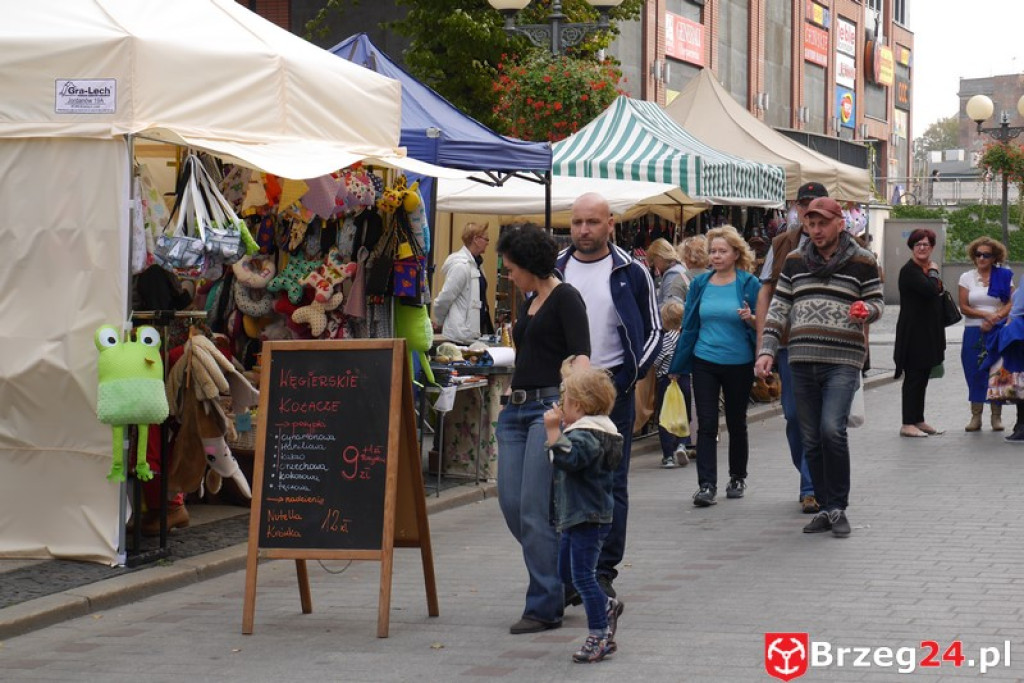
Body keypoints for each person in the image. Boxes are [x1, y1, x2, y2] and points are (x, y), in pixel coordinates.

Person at [755, 196, 884, 538]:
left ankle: (838, 505)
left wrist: (865, 310)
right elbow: (779, 307)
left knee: (831, 430)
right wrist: (766, 350)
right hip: (801, 358)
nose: (815, 230)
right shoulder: (795, 261)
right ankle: (826, 507)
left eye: (822, 223)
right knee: (810, 437)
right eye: (810, 224)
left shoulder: (863, 260)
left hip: (843, 359)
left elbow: (876, 301)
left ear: (840, 224)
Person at [556, 192, 661, 600]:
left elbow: (653, 330)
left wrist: (627, 380)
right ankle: (567, 574)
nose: (584, 230)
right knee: (560, 478)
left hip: (611, 389)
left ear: (610, 224)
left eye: (593, 222)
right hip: (564, 391)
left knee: (610, 481)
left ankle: (602, 570)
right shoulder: (557, 269)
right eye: (578, 222)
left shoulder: (630, 271)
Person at [495, 224, 591, 635]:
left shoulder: (566, 297)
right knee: (513, 506)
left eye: (511, 267)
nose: (508, 274)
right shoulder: (531, 300)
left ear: (529, 265)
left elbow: (582, 356)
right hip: (514, 413)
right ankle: (564, 579)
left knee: (535, 510)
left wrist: (569, 412)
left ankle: (544, 605)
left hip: (544, 410)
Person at [670, 226, 761, 507]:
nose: (716, 256)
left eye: (722, 251)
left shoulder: (748, 284)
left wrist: (750, 317)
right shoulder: (700, 284)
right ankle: (706, 485)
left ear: (736, 253)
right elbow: (689, 326)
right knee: (707, 424)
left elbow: (765, 324)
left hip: (739, 362)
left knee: (736, 422)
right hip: (704, 360)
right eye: (713, 251)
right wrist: (678, 363)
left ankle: (737, 477)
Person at [543, 363, 624, 663]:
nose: (560, 408)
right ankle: (605, 606)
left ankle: (599, 634)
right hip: (578, 517)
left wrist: (553, 431)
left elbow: (570, 459)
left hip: (587, 518)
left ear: (578, 405)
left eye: (564, 403)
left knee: (583, 577)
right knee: (568, 573)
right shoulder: (589, 431)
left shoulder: (587, 435)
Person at [755, 181, 827, 514]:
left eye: (815, 204)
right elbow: (766, 292)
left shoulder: (845, 244)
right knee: (796, 416)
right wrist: (762, 345)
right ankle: (811, 473)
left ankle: (811, 486)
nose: (808, 210)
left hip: (829, 344)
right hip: (787, 343)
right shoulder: (782, 242)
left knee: (822, 419)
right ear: (797, 208)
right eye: (803, 204)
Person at [893, 229, 947, 438]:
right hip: (913, 334)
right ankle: (907, 423)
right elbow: (931, 290)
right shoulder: (910, 271)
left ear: (932, 247)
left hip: (928, 332)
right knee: (914, 377)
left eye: (926, 244)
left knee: (923, 376)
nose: (922, 248)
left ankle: (918, 419)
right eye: (918, 244)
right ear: (912, 248)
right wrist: (934, 271)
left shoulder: (924, 269)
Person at [959, 236, 1013, 431]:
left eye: (986, 255)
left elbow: (1012, 302)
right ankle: (976, 415)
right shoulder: (966, 277)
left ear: (994, 257)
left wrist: (996, 317)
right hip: (974, 330)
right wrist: (985, 315)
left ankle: (996, 416)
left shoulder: (1004, 275)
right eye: (978, 254)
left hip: (997, 331)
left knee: (996, 371)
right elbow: (964, 306)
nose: (981, 258)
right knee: (974, 371)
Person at [432, 222, 490, 344]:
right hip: (460, 335)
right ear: (476, 239)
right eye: (486, 239)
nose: (488, 243)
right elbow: (445, 297)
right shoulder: (461, 266)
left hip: (472, 333)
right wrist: (440, 321)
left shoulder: (477, 265)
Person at [652, 301, 689, 468]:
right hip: (685, 379)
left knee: (665, 417)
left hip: (667, 382)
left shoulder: (664, 339)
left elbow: (657, 360)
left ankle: (668, 456)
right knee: (684, 414)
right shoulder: (686, 338)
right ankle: (682, 443)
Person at [646, 238, 690, 305]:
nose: (653, 265)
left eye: (653, 260)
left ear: (659, 257)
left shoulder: (672, 274)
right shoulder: (680, 267)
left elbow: (668, 305)